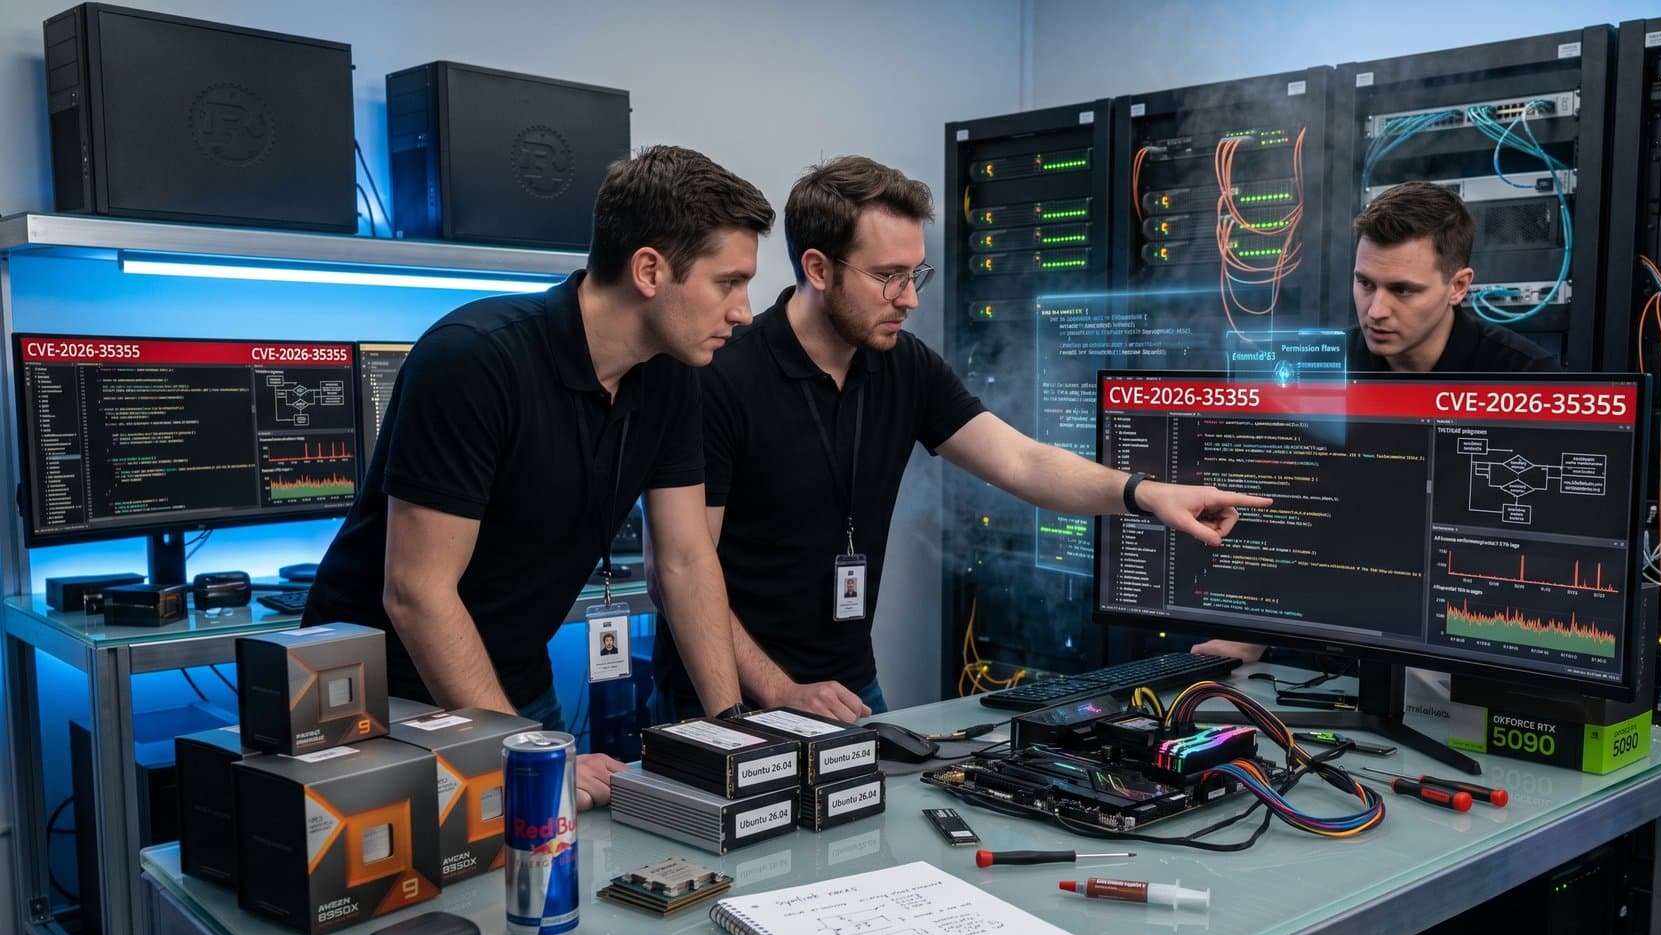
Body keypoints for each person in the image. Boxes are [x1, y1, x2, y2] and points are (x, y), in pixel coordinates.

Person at [648, 156, 1270, 724]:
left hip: (848, 688)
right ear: (817, 268)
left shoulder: (903, 365)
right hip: (729, 695)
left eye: (915, 272)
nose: (911, 298)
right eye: (889, 276)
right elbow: (678, 567)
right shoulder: (721, 377)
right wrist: (780, 690)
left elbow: (1023, 461)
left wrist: (1146, 494)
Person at [304, 146, 773, 808]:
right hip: (383, 701)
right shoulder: (475, 359)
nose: (745, 311)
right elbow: (416, 591)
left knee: (559, 884)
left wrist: (731, 734)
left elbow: (687, 560)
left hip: (512, 681)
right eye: (728, 282)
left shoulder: (670, 377)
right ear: (649, 270)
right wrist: (528, 754)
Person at [1193, 179, 1561, 667]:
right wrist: (1250, 628)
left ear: (1458, 286)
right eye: (1365, 283)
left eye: (1403, 290)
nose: (1376, 310)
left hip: (1470, 643)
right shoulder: (1321, 371)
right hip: (1336, 637)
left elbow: (1542, 558)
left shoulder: (1527, 384)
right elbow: (1277, 512)